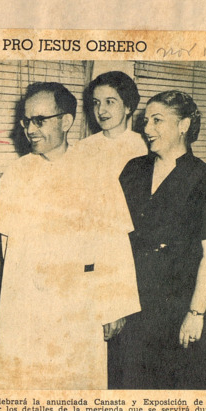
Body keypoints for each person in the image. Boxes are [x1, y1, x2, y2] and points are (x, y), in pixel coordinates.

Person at [0, 82, 140, 391]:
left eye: (40, 120)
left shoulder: (97, 172)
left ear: (66, 121)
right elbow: (7, 247)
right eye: (26, 121)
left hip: (77, 304)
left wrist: (115, 306)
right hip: (26, 304)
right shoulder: (14, 175)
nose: (30, 129)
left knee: (74, 387)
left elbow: (114, 243)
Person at [117, 91, 206, 389]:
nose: (147, 129)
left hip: (177, 306)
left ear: (183, 125)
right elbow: (113, 237)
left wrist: (195, 314)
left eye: (157, 120)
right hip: (132, 301)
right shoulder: (133, 170)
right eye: (145, 121)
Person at [76, 70, 148, 386]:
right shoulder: (82, 149)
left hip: (133, 254)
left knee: (127, 358)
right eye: (96, 103)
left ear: (129, 106)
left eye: (110, 102)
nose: (102, 110)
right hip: (93, 253)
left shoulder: (143, 147)